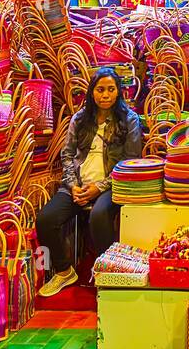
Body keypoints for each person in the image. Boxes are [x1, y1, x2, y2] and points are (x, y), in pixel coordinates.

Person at [36, 69, 143, 297]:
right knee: (46, 219)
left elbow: (130, 161)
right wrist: (73, 185)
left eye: (111, 89)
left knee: (99, 216)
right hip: (77, 186)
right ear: (92, 92)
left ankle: (106, 276)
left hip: (111, 186)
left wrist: (99, 187)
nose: (105, 95)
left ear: (118, 92)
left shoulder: (129, 120)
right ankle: (64, 271)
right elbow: (67, 154)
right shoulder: (80, 119)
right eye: (100, 89)